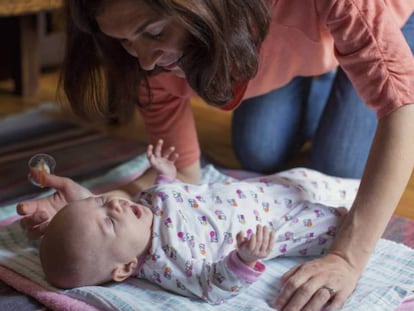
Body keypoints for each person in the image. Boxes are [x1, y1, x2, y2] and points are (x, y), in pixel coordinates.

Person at [17, 1, 414, 310]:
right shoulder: (148, 65)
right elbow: (185, 176)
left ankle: (347, 60)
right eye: (124, 42)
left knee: (340, 164)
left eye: (153, 31)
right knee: (259, 148)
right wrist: (85, 214)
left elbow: (402, 107)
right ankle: (324, 64)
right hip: (279, 36)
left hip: (386, 18)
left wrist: (346, 258)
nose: (145, 59)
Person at [39, 140, 354, 306]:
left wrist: (165, 176)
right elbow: (212, 287)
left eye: (102, 201)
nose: (117, 205)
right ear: (125, 268)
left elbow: (172, 196)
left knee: (318, 179)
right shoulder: (170, 263)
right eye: (109, 222)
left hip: (268, 188)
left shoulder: (141, 209)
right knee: (345, 216)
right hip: (284, 223)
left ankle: (359, 186)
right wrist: (242, 259)